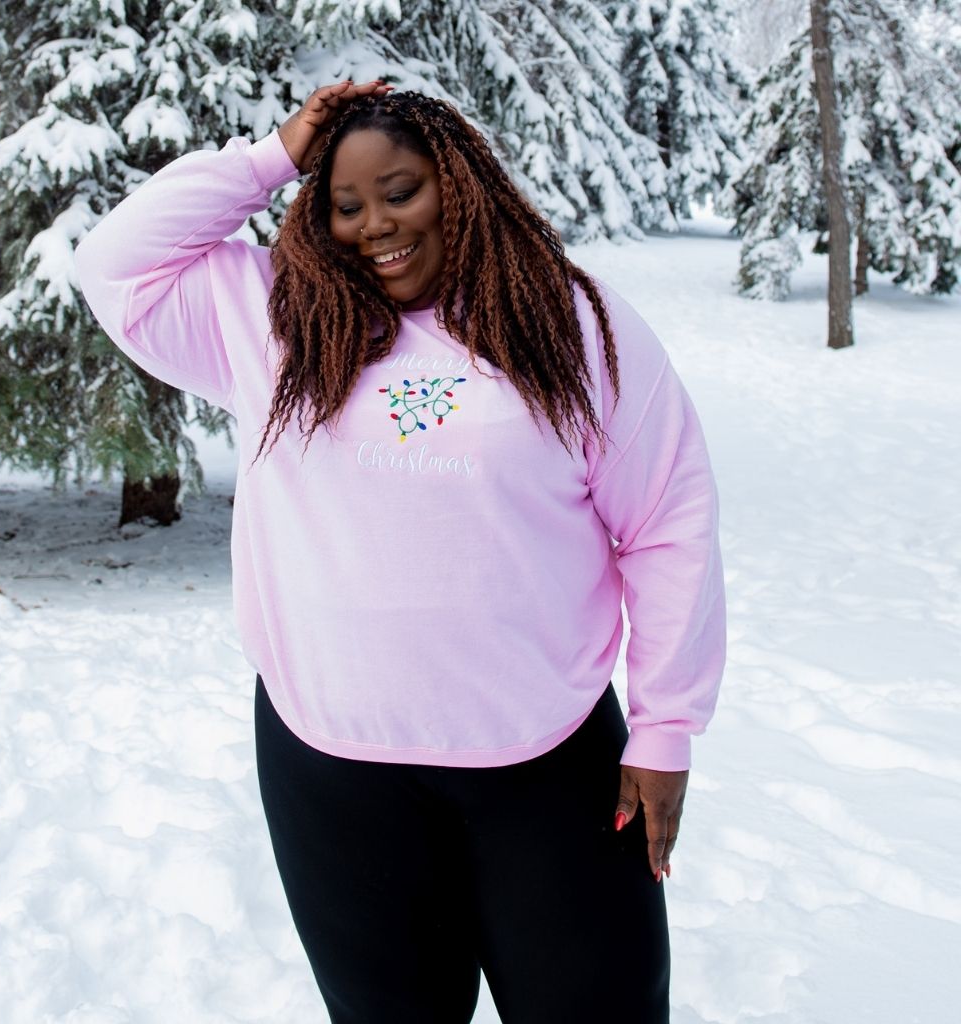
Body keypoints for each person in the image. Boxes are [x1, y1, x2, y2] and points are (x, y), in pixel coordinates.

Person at [75, 79, 725, 1024]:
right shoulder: (273, 319)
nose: (376, 223)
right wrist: (271, 155)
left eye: (402, 190)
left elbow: (667, 520)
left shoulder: (571, 325)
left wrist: (667, 726)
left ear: (457, 183)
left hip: (545, 766)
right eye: (345, 204)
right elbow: (115, 264)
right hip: (331, 767)